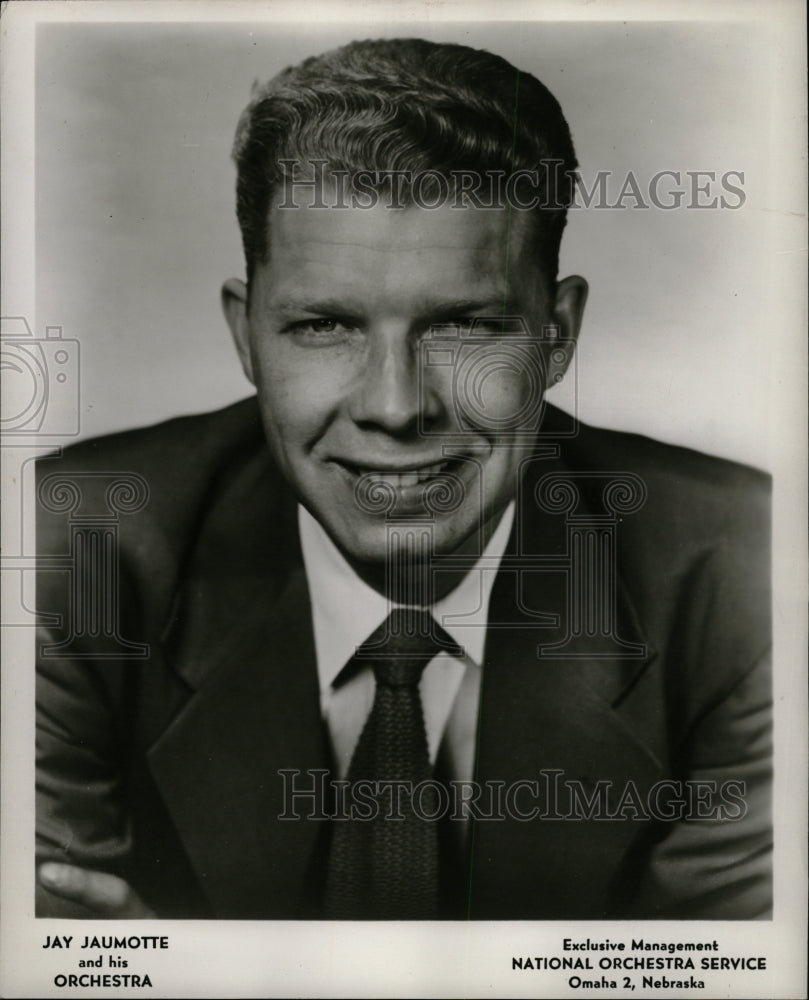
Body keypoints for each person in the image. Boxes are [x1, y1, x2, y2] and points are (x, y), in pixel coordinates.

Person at [35, 37, 771, 920]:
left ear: (558, 333)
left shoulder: (744, 574)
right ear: (245, 336)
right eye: (324, 325)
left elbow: (730, 974)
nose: (395, 405)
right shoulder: (67, 552)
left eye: (464, 325)